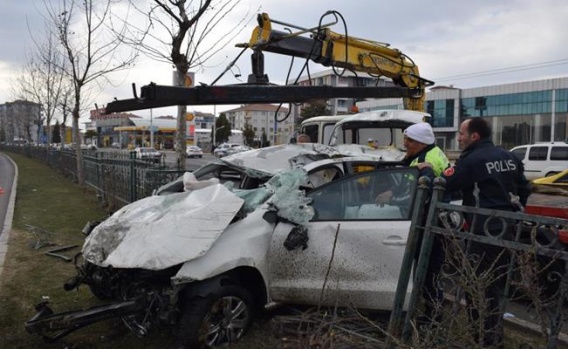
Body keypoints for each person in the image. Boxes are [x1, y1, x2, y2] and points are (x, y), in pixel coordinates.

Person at [441, 117, 531, 347]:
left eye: (461, 134)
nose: (459, 138)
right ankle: (493, 336)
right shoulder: (510, 156)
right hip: (507, 231)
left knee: (477, 288)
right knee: (498, 287)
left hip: (482, 233)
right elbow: (524, 188)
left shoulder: (472, 160)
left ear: (474, 136)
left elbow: (445, 183)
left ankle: (484, 338)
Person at [375, 122, 450, 325]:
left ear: (421, 142)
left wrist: (391, 197)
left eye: (409, 140)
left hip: (428, 223)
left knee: (427, 271)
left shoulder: (427, 160)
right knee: (430, 271)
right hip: (436, 221)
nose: (405, 143)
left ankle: (432, 318)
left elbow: (420, 194)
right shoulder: (430, 153)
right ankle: (430, 312)